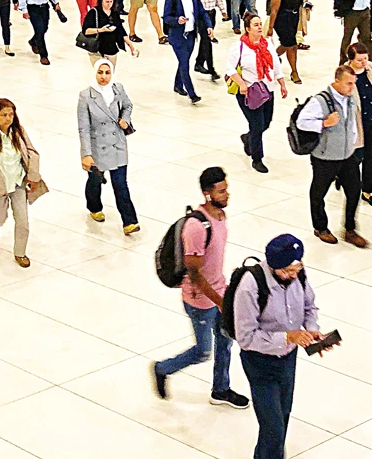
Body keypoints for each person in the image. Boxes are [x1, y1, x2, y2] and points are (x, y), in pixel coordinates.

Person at [152, 166, 250, 408]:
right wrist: (219, 302)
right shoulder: (196, 227)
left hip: (219, 291)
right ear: (207, 194)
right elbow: (194, 274)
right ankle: (163, 368)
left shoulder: (220, 216)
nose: (227, 195)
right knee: (203, 350)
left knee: (226, 342)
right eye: (221, 191)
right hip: (199, 301)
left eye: (227, 189)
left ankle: (221, 389)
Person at [234, 234, 325, 459]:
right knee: (273, 428)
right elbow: (245, 338)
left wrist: (311, 330)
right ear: (274, 267)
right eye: (287, 271)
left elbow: (309, 306)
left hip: (288, 360)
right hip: (259, 363)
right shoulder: (250, 287)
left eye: (297, 268)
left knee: (282, 418)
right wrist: (288, 337)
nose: (293, 275)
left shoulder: (298, 274)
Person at [296, 65, 371, 247]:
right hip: (325, 157)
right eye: (348, 83)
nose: (351, 87)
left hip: (347, 155)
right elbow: (301, 122)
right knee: (318, 192)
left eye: (354, 83)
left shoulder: (350, 98)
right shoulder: (320, 101)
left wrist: (354, 142)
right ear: (336, 81)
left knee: (354, 191)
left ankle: (350, 228)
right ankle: (320, 227)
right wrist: (324, 123)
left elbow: (352, 122)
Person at [0, 99, 46, 268]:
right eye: (3, 115)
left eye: (11, 114)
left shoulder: (18, 132)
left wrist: (33, 176)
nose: (8, 118)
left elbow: (32, 152)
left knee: (23, 220)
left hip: (18, 183)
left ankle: (20, 252)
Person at [77, 58, 140, 234]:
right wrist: (86, 154)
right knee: (95, 180)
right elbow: (83, 128)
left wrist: (125, 120)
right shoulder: (86, 96)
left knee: (120, 184)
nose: (104, 77)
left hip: (117, 143)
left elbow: (128, 105)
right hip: (98, 148)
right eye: (100, 72)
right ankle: (94, 206)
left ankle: (130, 222)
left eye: (107, 73)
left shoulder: (118, 89)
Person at [227, 13, 288, 174]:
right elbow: (230, 69)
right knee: (256, 125)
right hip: (249, 92)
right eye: (256, 25)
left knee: (266, 122)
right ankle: (257, 158)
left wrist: (282, 84)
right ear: (247, 29)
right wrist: (241, 84)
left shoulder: (267, 44)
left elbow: (276, 65)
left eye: (260, 24)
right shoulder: (239, 47)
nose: (260, 27)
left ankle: (248, 138)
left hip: (267, 89)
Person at [346, 44, 372, 208]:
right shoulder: (345, 74)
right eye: (359, 60)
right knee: (355, 157)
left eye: (365, 58)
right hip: (355, 125)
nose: (364, 62)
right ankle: (346, 180)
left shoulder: (370, 69)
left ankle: (367, 191)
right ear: (351, 59)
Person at [163, 0, 214, 104]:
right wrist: (176, 20)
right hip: (177, 37)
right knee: (185, 64)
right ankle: (192, 94)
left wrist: (209, 26)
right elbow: (166, 17)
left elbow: (202, 13)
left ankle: (178, 85)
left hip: (190, 35)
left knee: (183, 61)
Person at [18, 0, 64, 66]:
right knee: (39, 30)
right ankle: (44, 55)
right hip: (33, 8)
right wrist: (24, 10)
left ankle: (33, 41)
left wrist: (56, 2)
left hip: (44, 7)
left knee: (44, 28)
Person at [266, 0, 304, 85]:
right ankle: (294, 72)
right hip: (282, 20)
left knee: (287, 44)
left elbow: (299, 5)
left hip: (294, 18)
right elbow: (274, 11)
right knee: (291, 45)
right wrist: (270, 27)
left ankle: (271, 57)